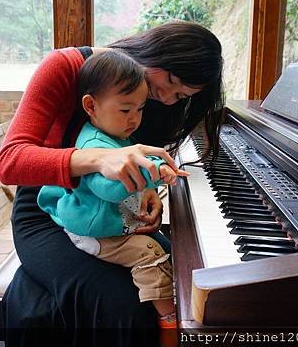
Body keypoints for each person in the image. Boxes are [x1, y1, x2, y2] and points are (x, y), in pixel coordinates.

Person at [0, 21, 224, 347]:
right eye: (171, 81)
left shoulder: (153, 102)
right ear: (155, 50)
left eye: (182, 96)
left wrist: (146, 197)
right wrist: (98, 159)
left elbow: (132, 171)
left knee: (180, 274)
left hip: (109, 213)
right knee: (122, 305)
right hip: (48, 212)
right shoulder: (64, 67)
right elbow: (10, 162)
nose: (167, 97)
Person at [36, 50, 188, 329]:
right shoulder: (93, 142)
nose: (134, 119)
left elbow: (139, 157)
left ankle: (180, 298)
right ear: (91, 106)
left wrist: (157, 166)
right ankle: (169, 318)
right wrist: (153, 177)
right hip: (94, 230)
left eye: (140, 109)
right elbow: (110, 189)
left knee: (167, 247)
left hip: (113, 220)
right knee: (149, 254)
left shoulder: (115, 130)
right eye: (126, 110)